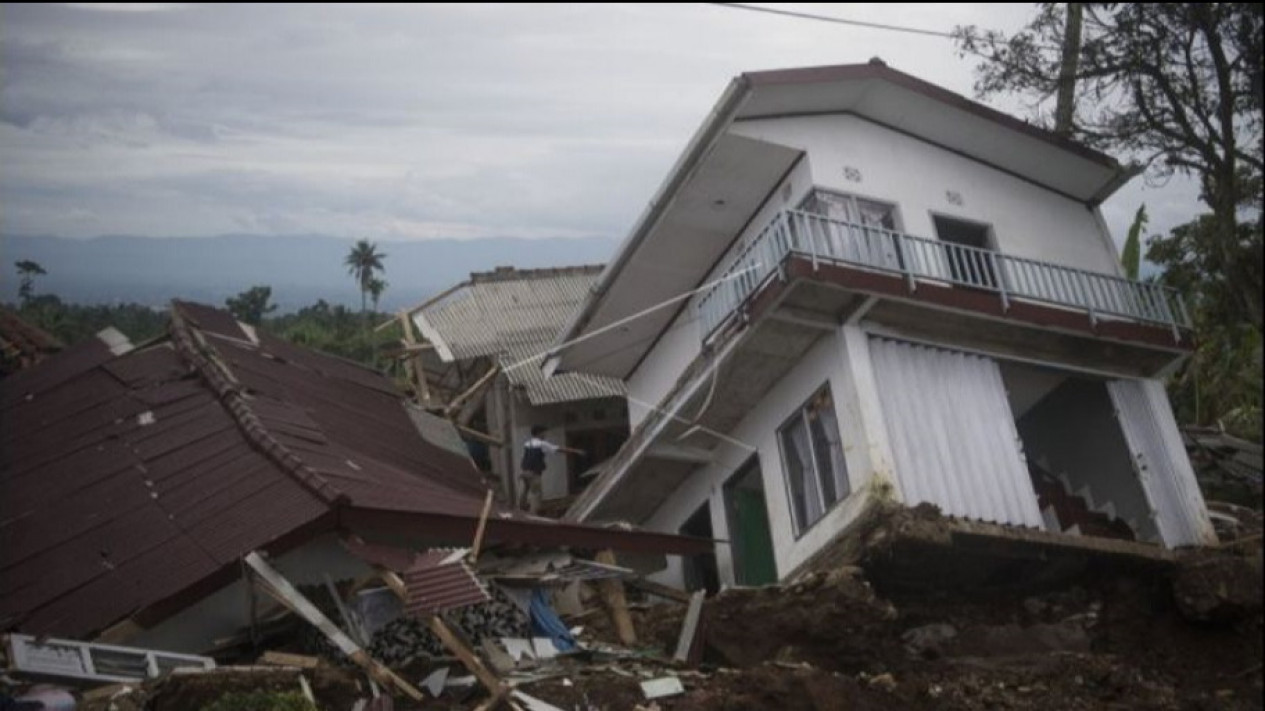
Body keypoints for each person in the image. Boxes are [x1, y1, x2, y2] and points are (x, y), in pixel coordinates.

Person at [519, 425, 583, 514]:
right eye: (543, 433)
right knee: (536, 495)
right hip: (534, 473)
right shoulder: (542, 444)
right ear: (539, 433)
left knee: (525, 490)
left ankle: (520, 509)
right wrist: (576, 451)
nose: (545, 435)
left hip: (524, 472)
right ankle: (532, 515)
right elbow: (558, 449)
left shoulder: (527, 443)